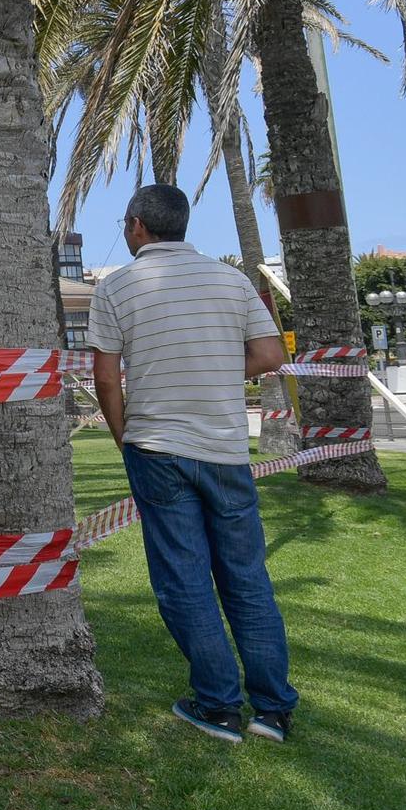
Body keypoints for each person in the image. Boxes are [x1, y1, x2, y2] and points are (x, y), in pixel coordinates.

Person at [88, 184, 294, 744]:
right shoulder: (230, 280)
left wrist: (122, 433)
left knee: (183, 579)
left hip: (157, 448)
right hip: (226, 451)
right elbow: (272, 354)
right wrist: (218, 374)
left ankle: (219, 705)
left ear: (136, 227)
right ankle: (273, 710)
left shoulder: (117, 287)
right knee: (246, 579)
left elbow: (106, 375)